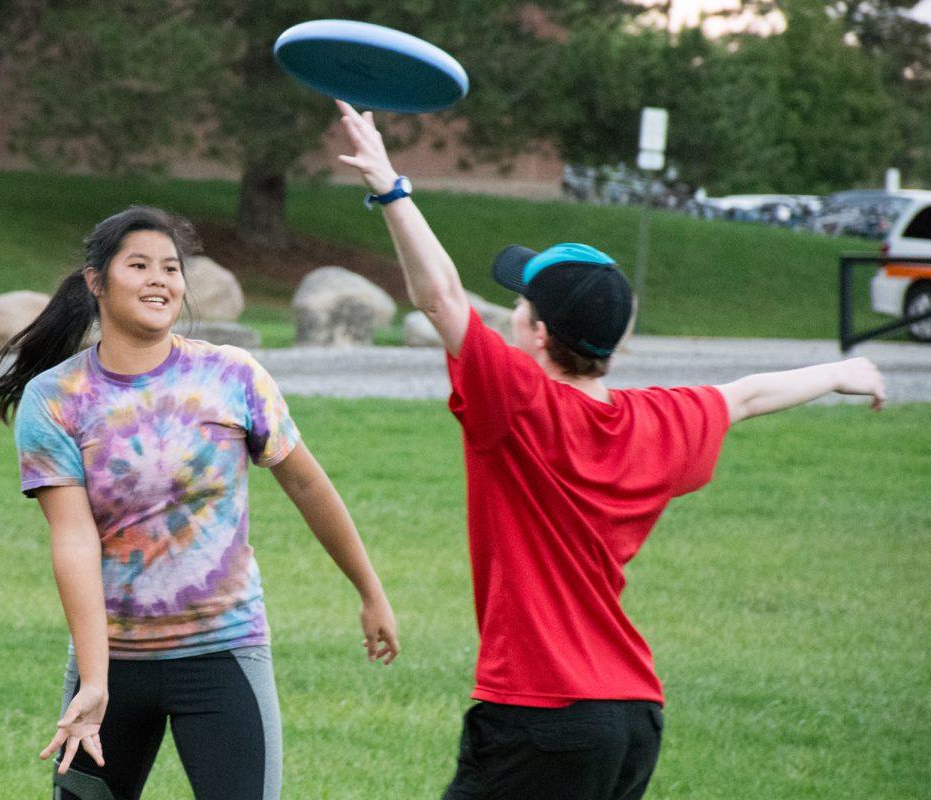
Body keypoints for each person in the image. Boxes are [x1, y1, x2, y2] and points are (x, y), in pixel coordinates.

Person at [334, 100, 886, 800]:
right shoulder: (655, 422)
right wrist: (840, 372)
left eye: (521, 304)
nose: (511, 314)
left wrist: (390, 186)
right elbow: (744, 396)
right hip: (632, 718)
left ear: (535, 331)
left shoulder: (517, 406)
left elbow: (440, 298)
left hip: (541, 715)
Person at [0, 205, 400, 800]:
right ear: (95, 282)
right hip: (112, 662)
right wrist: (95, 681)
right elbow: (73, 537)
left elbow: (308, 484)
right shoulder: (56, 398)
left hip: (223, 651)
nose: (160, 279)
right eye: (139, 265)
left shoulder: (232, 375)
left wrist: (370, 591)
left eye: (171, 268)